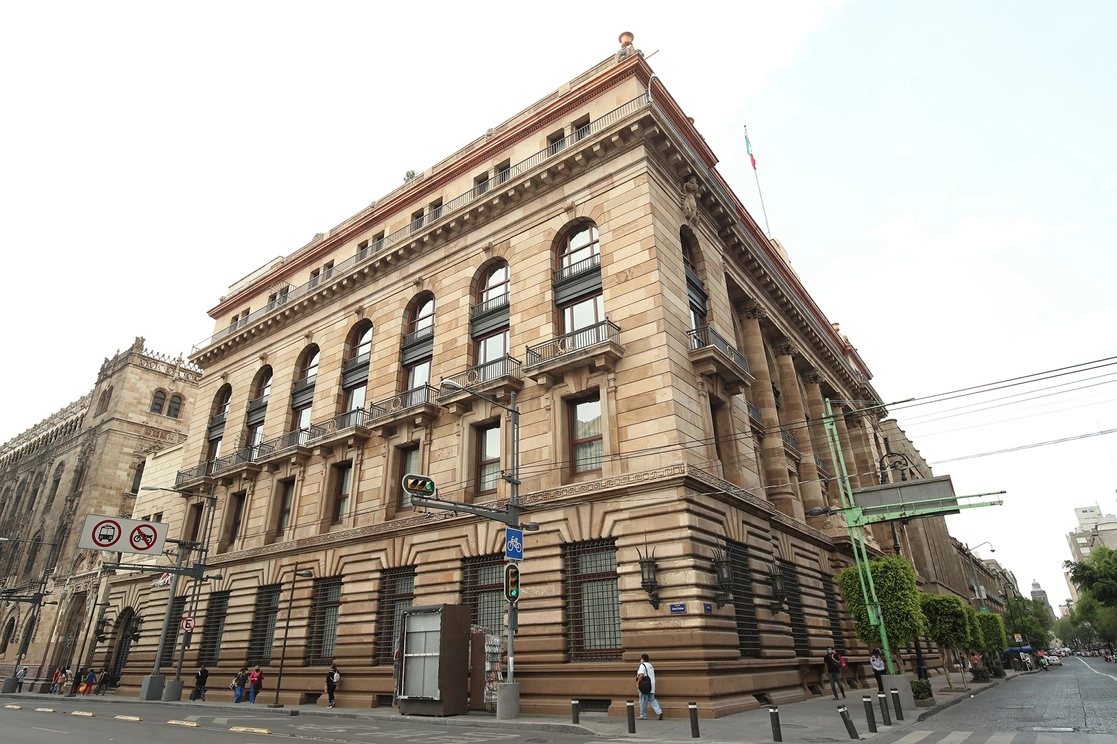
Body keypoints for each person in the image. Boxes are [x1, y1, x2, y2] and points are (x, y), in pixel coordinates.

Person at [636, 653, 663, 720]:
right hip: (651, 685)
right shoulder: (651, 666)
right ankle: (659, 712)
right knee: (652, 699)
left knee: (643, 700)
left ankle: (643, 715)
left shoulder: (642, 665)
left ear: (642, 659)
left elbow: (641, 675)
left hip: (645, 685)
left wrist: (638, 683)